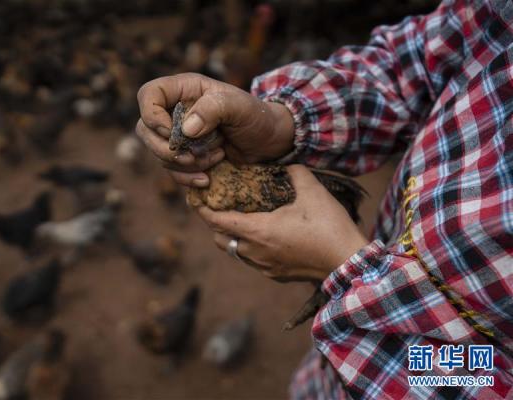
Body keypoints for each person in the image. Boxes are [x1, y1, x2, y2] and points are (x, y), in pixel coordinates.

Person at [135, 0, 513, 398]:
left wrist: (347, 269)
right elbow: (420, 59)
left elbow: (484, 380)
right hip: (331, 373)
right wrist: (281, 121)